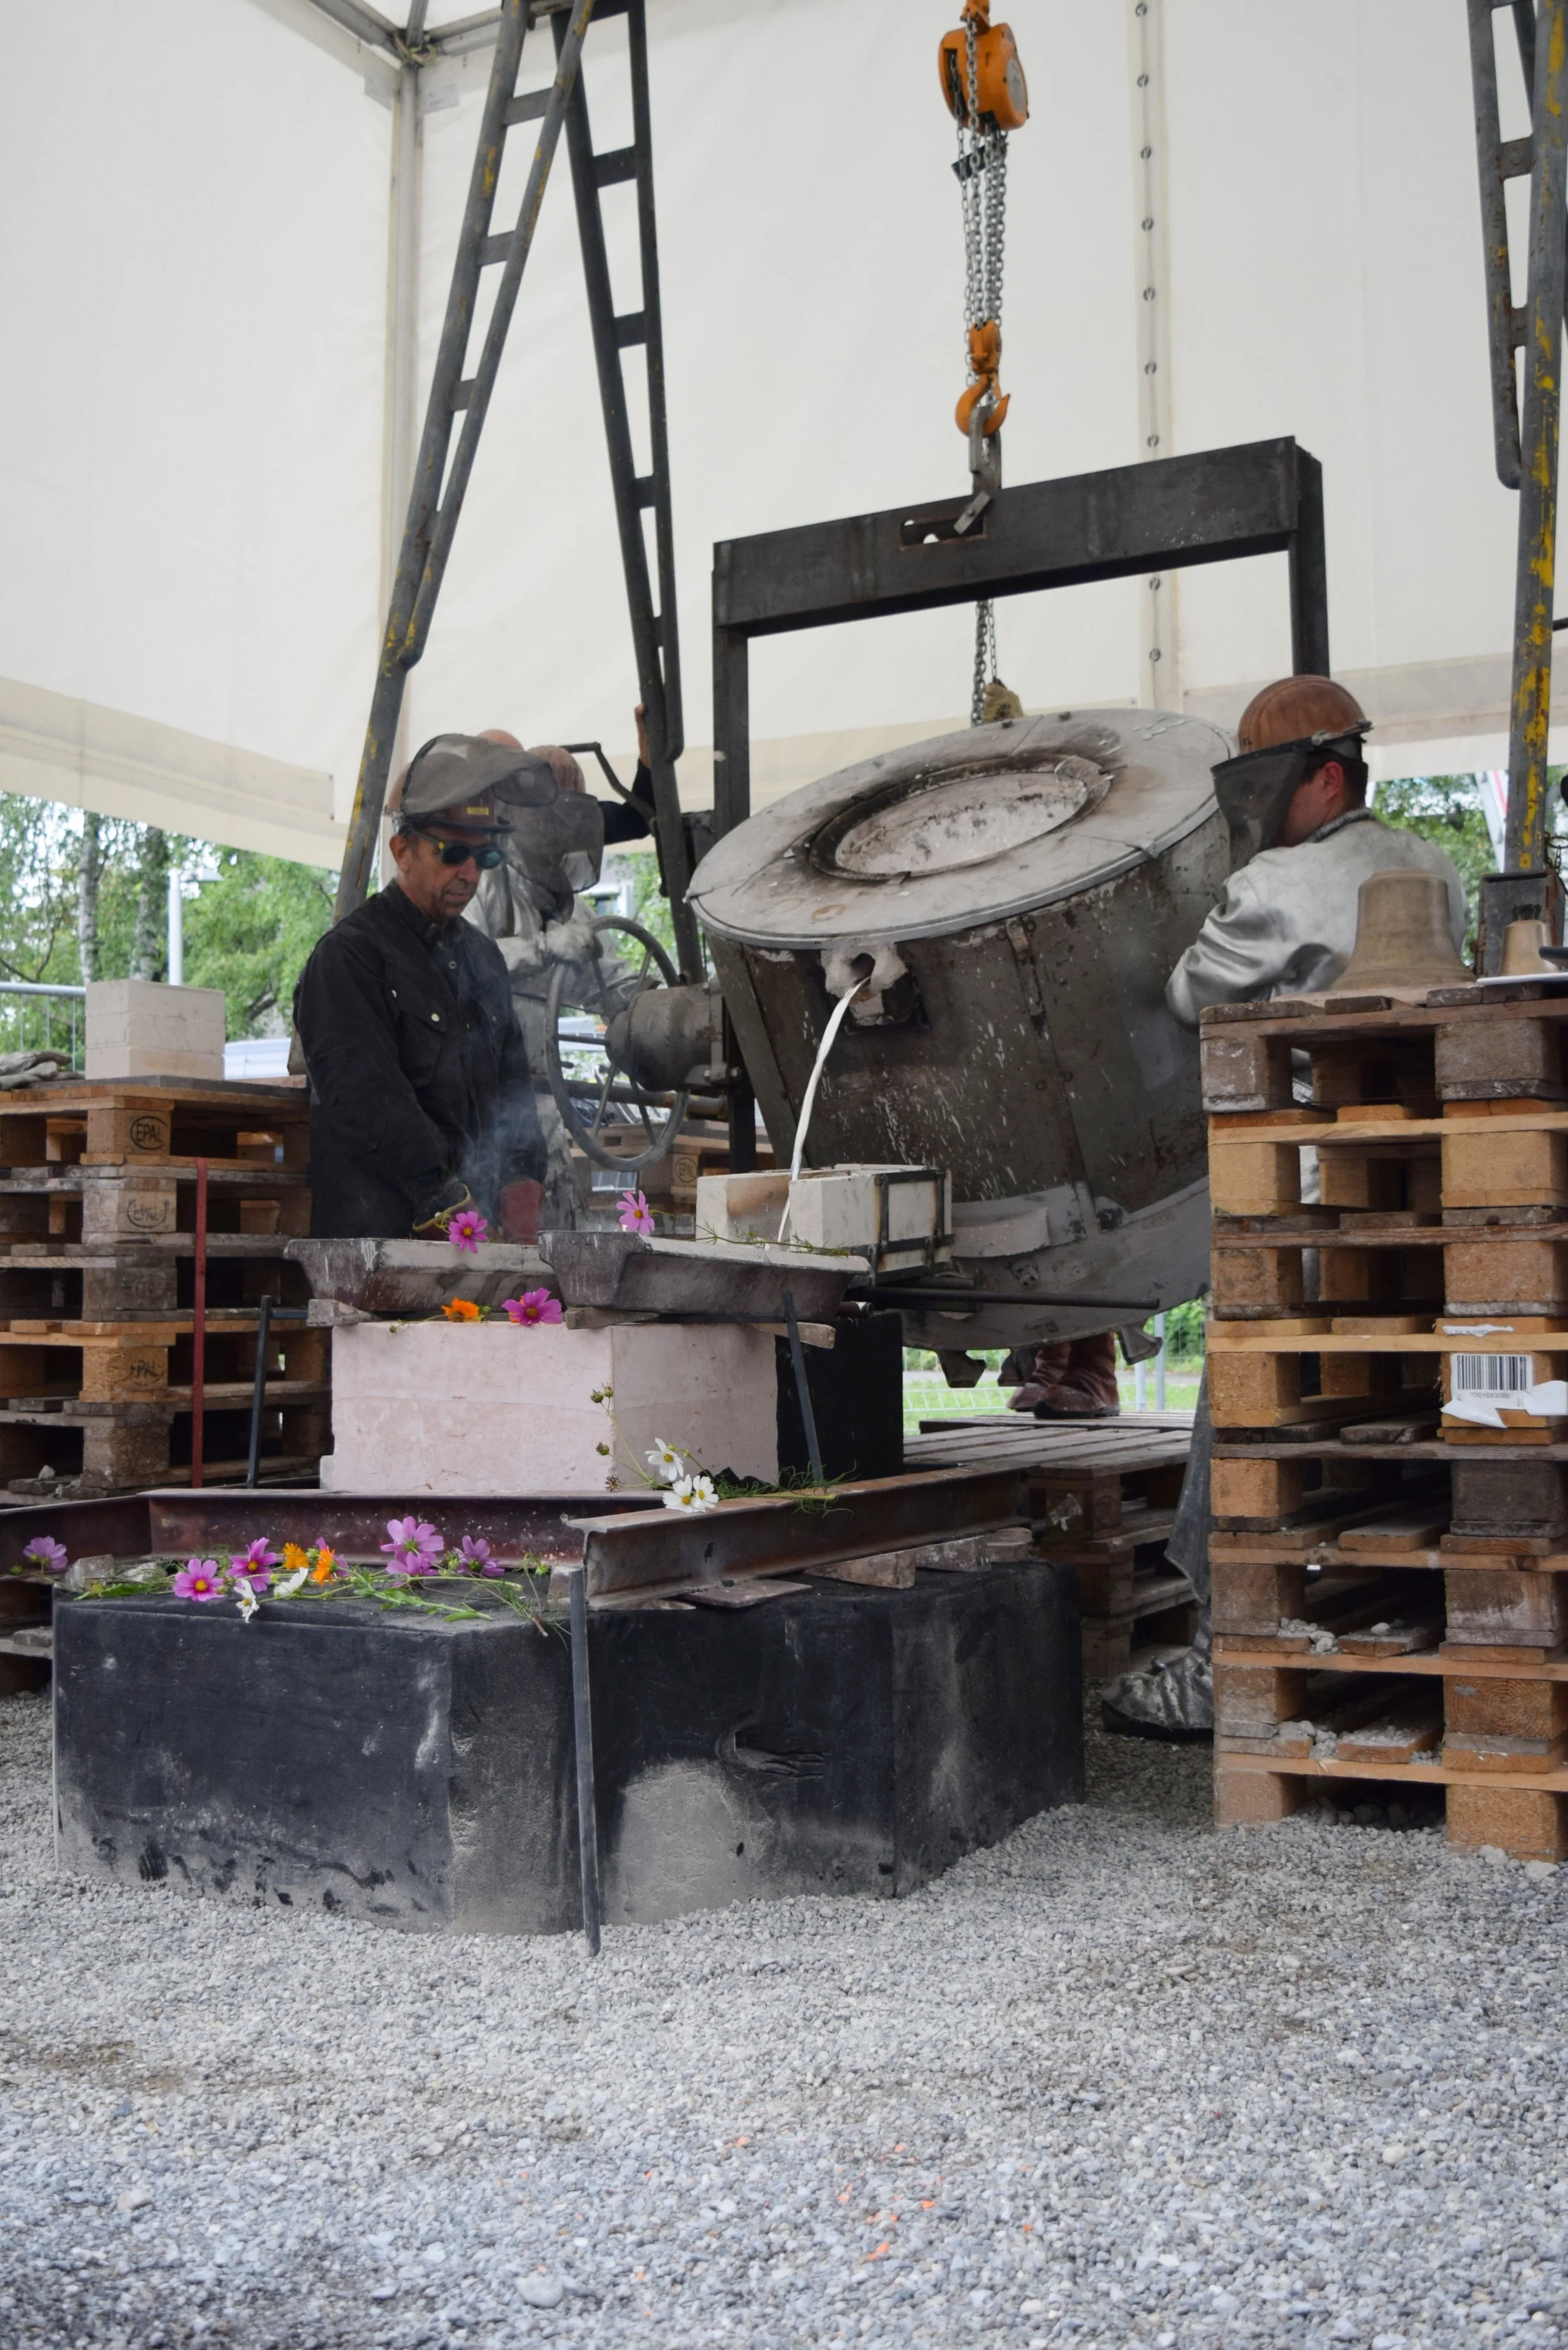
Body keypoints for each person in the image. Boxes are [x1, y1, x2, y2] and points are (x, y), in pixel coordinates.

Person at [1099, 674, 1469, 1738]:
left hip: (1306, 1203)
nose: (1258, 809)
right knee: (1391, 1423)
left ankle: (1225, 1663)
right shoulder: (1429, 863)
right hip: (1418, 1204)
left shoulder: (1277, 886)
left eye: (1272, 785)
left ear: (1325, 774)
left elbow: (1188, 995)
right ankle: (1402, 1621)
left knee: (1246, 1427)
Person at [293, 734, 550, 1241]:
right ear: (402, 850)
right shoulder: (349, 959)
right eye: (453, 852)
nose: (470, 872)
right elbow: (370, 1103)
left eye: (486, 857)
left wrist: (523, 1185)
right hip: (381, 1243)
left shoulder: (483, 957)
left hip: (471, 1243)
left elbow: (512, 1086)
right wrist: (447, 1199)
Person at [465, 711, 658, 1224]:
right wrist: (543, 946)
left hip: (544, 1104)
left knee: (552, 1237)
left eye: (574, 822)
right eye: (553, 820)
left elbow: (611, 985)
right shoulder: (476, 881)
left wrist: (655, 1007)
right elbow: (460, 963)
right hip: (475, 1104)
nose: (562, 835)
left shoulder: (570, 908)